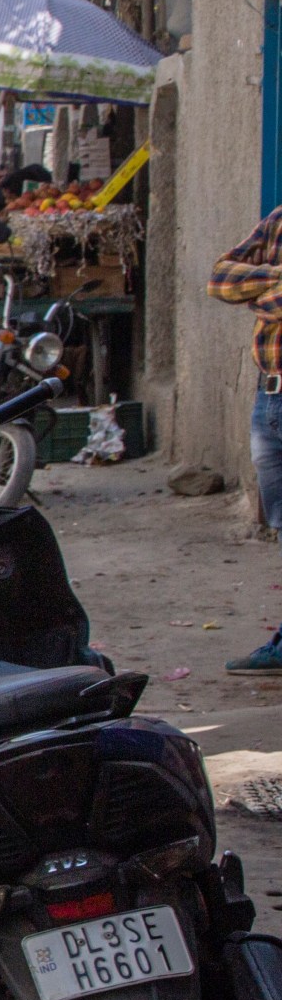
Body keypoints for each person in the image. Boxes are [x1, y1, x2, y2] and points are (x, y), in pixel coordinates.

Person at [207, 203, 282, 675]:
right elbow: (219, 277)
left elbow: (245, 288)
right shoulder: (278, 220)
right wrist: (277, 279)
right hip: (271, 399)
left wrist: (260, 288)